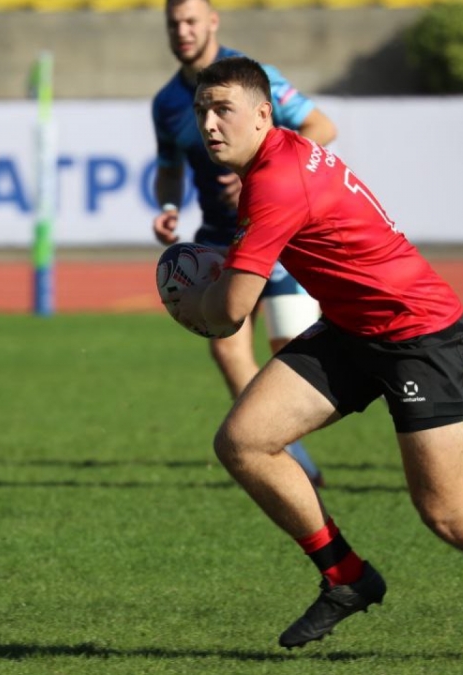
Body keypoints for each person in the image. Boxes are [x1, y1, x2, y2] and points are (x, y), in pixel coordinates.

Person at [169, 56, 463, 661]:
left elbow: (228, 314)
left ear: (262, 114)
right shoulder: (279, 155)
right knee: (244, 441)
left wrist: (189, 298)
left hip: (418, 335)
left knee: (447, 511)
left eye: (223, 109)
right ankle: (346, 576)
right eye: (202, 111)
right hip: (351, 328)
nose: (209, 124)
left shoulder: (275, 181)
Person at [152, 0, 336, 485]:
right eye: (174, 23)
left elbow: (321, 127)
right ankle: (293, 460)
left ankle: (282, 441)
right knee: (227, 350)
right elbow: (169, 168)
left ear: (212, 22)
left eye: (191, 21)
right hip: (219, 239)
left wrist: (266, 172)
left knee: (291, 348)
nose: (182, 31)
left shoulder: (254, 77)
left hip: (279, 234)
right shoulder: (166, 102)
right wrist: (168, 206)